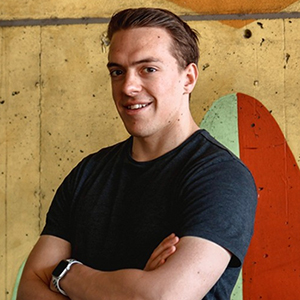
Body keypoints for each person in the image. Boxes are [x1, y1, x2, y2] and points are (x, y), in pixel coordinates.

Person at [17, 7, 257, 300]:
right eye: (117, 72)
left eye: (148, 69)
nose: (128, 87)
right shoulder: (88, 173)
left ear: (189, 78)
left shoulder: (220, 177)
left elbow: (162, 296)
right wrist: (133, 287)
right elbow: (28, 290)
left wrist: (65, 273)